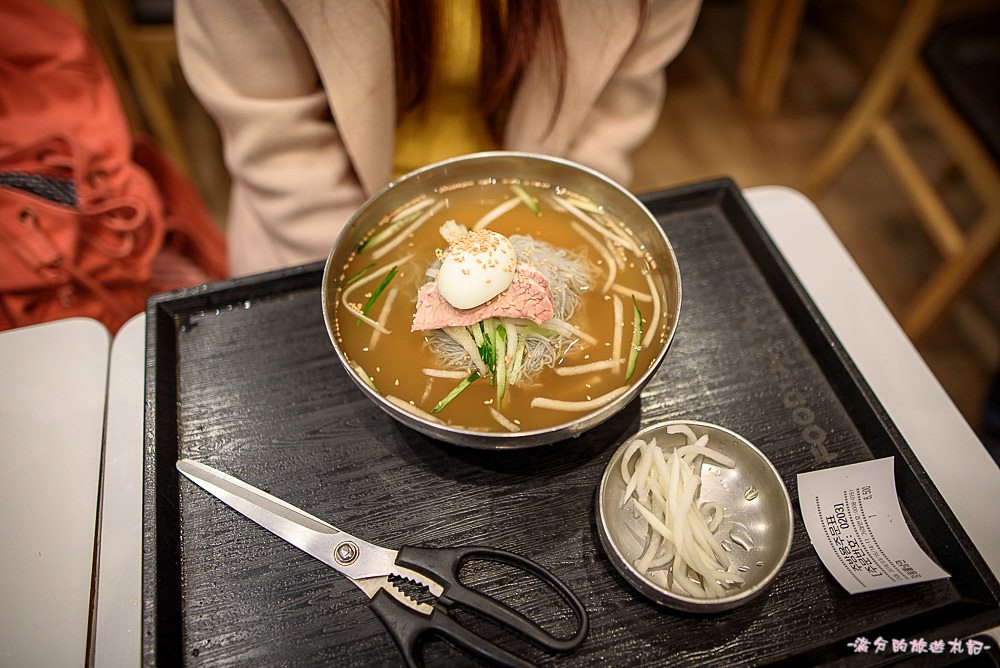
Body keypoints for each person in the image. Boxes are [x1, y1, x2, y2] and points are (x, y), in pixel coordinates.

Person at [176, 0, 701, 276]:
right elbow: (277, 133)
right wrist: (403, 268)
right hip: (328, 225)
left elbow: (612, 107)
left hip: (536, 201)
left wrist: (553, 241)